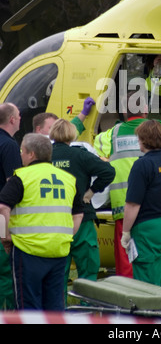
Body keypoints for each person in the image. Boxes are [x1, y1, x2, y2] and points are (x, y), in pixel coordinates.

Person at [94, 91, 161, 278]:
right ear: (145, 109)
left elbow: (97, 159)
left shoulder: (111, 134)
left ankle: (130, 304)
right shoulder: (160, 128)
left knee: (128, 264)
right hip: (160, 210)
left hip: (124, 208)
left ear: (124, 110)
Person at [0, 133, 84, 311]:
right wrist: (66, 236)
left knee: (28, 306)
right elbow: (78, 215)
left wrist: (4, 236)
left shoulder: (21, 177)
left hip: (27, 250)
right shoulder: (68, 179)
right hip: (58, 250)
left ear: (31, 154)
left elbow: (2, 208)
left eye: (22, 151)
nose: (20, 154)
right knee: (54, 305)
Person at [49, 119, 115, 303]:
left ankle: (56, 312)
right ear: (72, 134)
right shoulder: (81, 155)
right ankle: (86, 309)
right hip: (83, 220)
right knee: (88, 270)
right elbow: (108, 171)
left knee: (57, 272)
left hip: (53, 221)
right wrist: (91, 191)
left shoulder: (45, 155)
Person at [121, 120, 161, 288]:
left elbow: (133, 204)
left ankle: (150, 315)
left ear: (144, 140)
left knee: (147, 286)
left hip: (150, 230)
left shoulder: (142, 165)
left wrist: (125, 232)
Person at [0, 102, 22, 310]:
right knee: (5, 271)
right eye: (18, 115)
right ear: (12, 119)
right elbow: (12, 185)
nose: (21, 117)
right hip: (2, 214)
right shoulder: (9, 145)